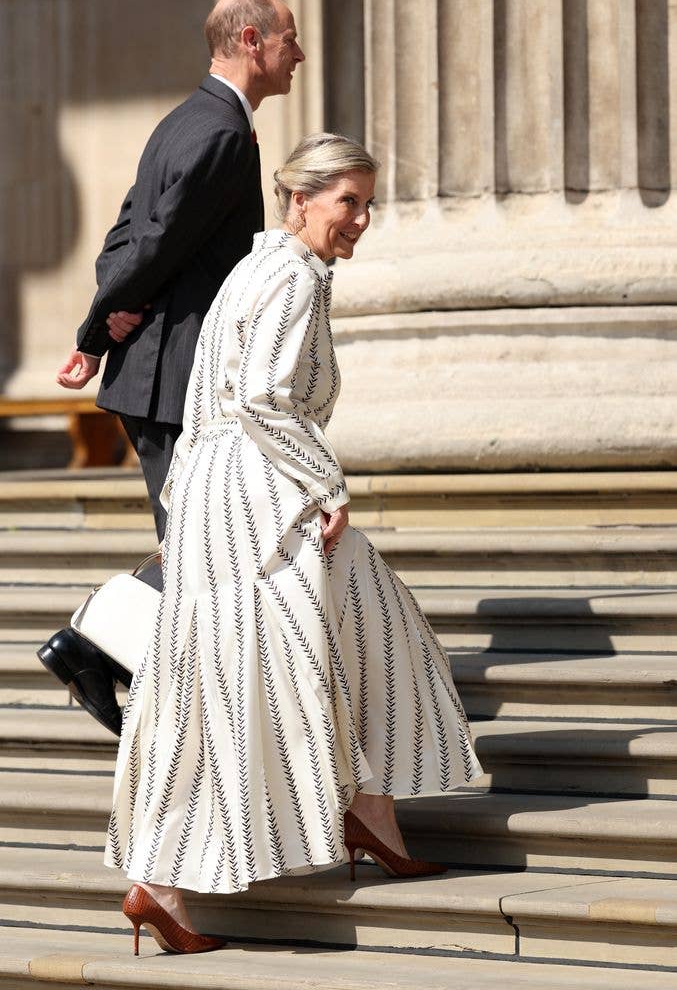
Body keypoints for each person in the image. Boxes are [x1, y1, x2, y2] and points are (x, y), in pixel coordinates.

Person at [108, 133, 483, 956]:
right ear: (301, 198)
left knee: (281, 655)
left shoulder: (257, 267)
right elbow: (265, 400)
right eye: (347, 201)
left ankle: (364, 808)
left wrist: (189, 505)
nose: (361, 219)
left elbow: (218, 400)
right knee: (253, 678)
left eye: (367, 202)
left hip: (224, 491)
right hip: (260, 493)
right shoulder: (292, 277)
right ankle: (169, 881)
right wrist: (325, 483)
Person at [37, 0, 305, 735]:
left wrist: (115, 307)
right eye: (290, 39)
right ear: (251, 41)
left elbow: (124, 240)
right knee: (203, 544)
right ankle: (97, 650)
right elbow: (149, 243)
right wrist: (97, 329)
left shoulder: (186, 121)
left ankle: (117, 662)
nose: (299, 54)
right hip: (175, 383)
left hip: (163, 372)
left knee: (208, 539)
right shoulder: (217, 132)